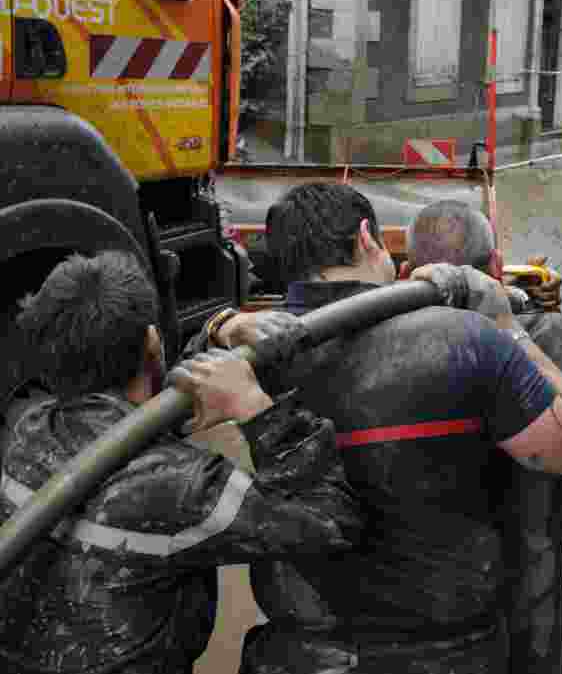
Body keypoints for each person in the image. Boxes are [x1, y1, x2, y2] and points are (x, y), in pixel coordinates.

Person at [198, 182, 562, 673]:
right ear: (368, 238)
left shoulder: (245, 360)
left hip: (299, 654)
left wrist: (219, 326)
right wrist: (502, 322)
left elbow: (153, 396)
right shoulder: (463, 338)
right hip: (447, 655)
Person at [0, 250, 365, 674]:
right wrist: (261, 412)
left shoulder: (28, 430)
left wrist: (219, 331)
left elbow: (128, 416)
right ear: (154, 341)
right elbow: (328, 520)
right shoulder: (178, 486)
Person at [399, 199, 562, 674]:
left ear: (408, 271)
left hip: (397, 643)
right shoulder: (557, 339)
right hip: (524, 646)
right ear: (496, 266)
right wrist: (541, 331)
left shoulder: (370, 345)